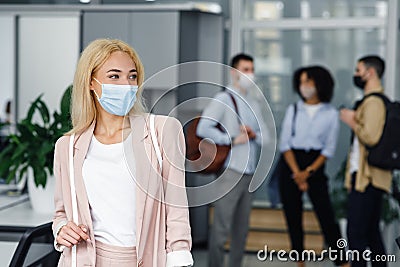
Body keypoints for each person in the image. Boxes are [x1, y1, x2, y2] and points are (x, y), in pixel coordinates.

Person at [52, 39, 193, 266]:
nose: (126, 85)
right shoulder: (67, 147)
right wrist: (61, 229)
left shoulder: (162, 131)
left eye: (132, 76)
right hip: (84, 259)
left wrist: (179, 260)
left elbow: (176, 210)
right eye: (114, 76)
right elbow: (61, 213)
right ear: (91, 82)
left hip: (142, 259)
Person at [196, 53, 269, 267]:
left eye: (251, 69)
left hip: (248, 172)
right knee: (221, 228)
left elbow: (266, 135)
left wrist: (253, 134)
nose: (250, 74)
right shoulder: (223, 99)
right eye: (245, 69)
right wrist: (230, 138)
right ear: (233, 72)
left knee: (241, 229)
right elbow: (203, 127)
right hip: (230, 171)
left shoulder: (253, 102)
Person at [279, 66, 349, 267]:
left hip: (315, 166)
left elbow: (328, 149)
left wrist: (307, 173)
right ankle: (299, 261)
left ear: (320, 84)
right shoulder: (293, 110)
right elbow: (285, 144)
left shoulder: (330, 114)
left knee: (326, 216)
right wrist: (297, 174)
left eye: (308, 82)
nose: (305, 87)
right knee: (293, 216)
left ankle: (342, 261)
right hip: (291, 164)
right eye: (301, 82)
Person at [340, 55, 392, 267]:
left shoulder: (373, 103)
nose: (355, 74)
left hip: (367, 178)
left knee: (356, 236)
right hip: (366, 177)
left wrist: (352, 121)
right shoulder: (373, 101)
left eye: (358, 70)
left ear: (370, 73)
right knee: (370, 234)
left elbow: (370, 137)